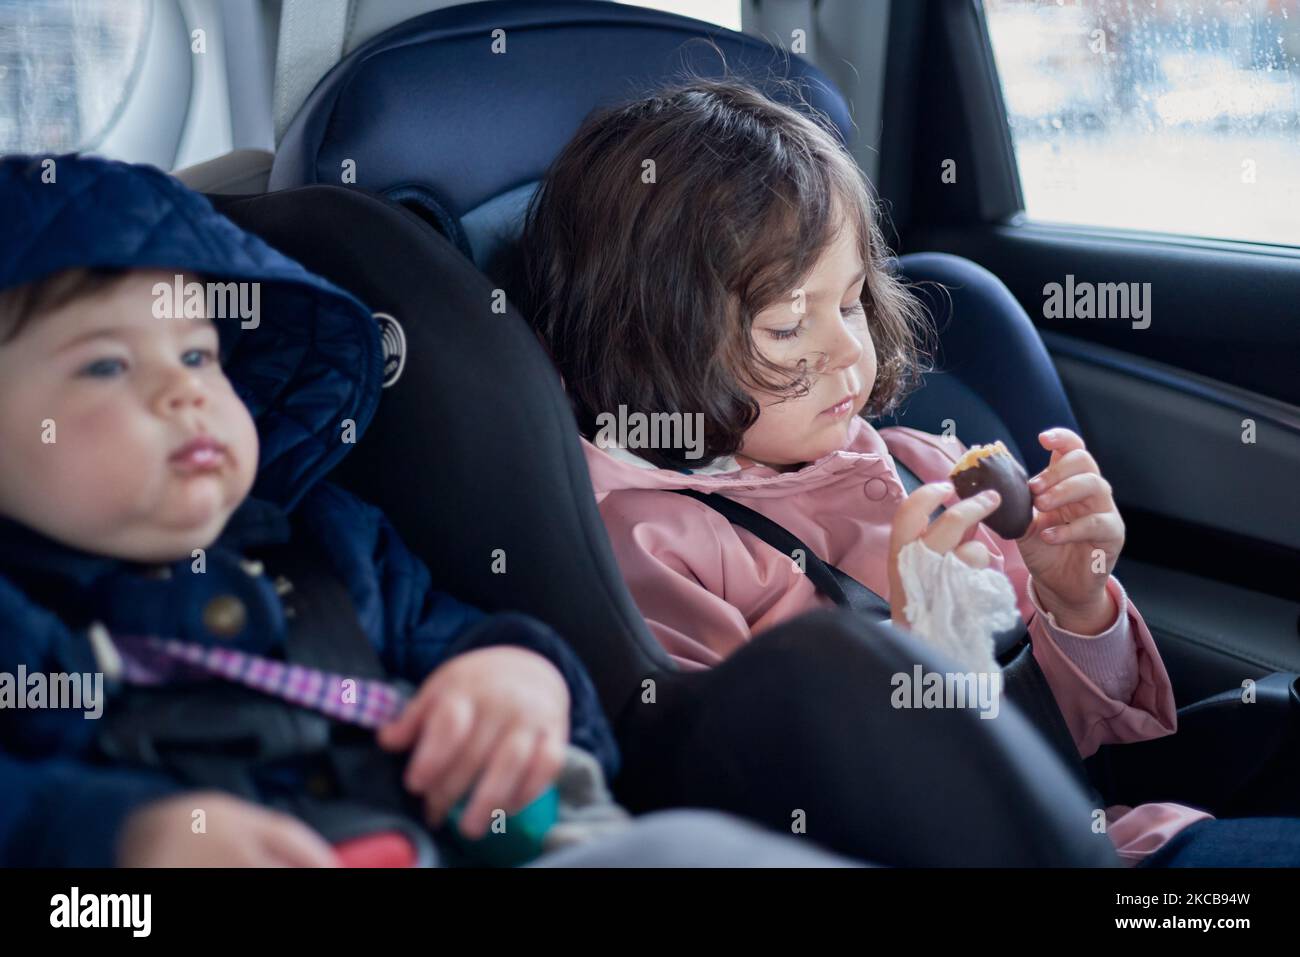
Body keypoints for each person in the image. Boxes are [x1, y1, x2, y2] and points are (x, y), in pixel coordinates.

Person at [520, 76, 1300, 866]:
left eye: (853, 302)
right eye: (790, 325)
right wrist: (916, 659)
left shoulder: (921, 464)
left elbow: (1073, 744)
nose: (851, 352)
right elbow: (732, 818)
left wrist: (1075, 604)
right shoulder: (651, 544)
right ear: (649, 341)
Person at [0, 153, 856, 869]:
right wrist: (125, 840)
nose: (183, 392)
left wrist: (518, 679)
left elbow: (472, 641)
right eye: (106, 367)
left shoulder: (332, 544)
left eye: (197, 353)